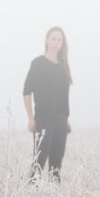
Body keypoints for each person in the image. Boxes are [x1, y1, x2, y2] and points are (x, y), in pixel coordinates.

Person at [22, 27, 73, 181]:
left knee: (56, 165)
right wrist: (31, 118)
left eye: (59, 39)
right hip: (43, 119)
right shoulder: (38, 63)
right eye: (53, 38)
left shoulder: (63, 66)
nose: (56, 42)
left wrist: (66, 119)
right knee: (39, 161)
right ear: (47, 40)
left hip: (61, 121)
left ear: (62, 43)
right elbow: (26, 92)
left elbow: (63, 96)